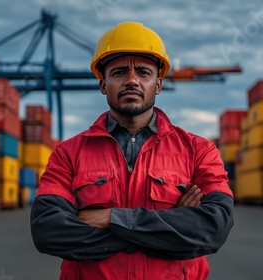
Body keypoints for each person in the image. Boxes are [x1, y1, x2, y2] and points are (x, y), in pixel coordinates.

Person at [30, 21, 234, 280]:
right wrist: (168, 229)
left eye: (143, 72)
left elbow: (214, 227)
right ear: (103, 85)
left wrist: (111, 218)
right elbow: (48, 231)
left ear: (158, 85)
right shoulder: (68, 154)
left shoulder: (199, 151)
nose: (131, 81)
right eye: (118, 73)